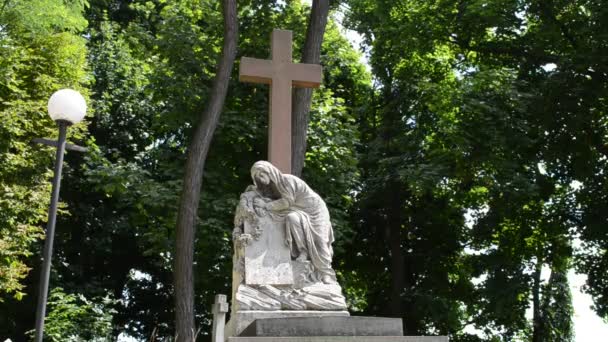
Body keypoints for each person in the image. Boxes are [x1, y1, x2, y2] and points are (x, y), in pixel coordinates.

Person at [250, 161, 337, 284]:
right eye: (257, 178)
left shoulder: (287, 181)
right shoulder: (273, 188)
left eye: (262, 175)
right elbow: (263, 195)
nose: (261, 180)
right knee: (292, 218)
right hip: (298, 211)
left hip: (315, 211)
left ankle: (325, 272)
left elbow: (287, 202)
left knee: (319, 241)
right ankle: (303, 251)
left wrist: (266, 205)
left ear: (270, 172)